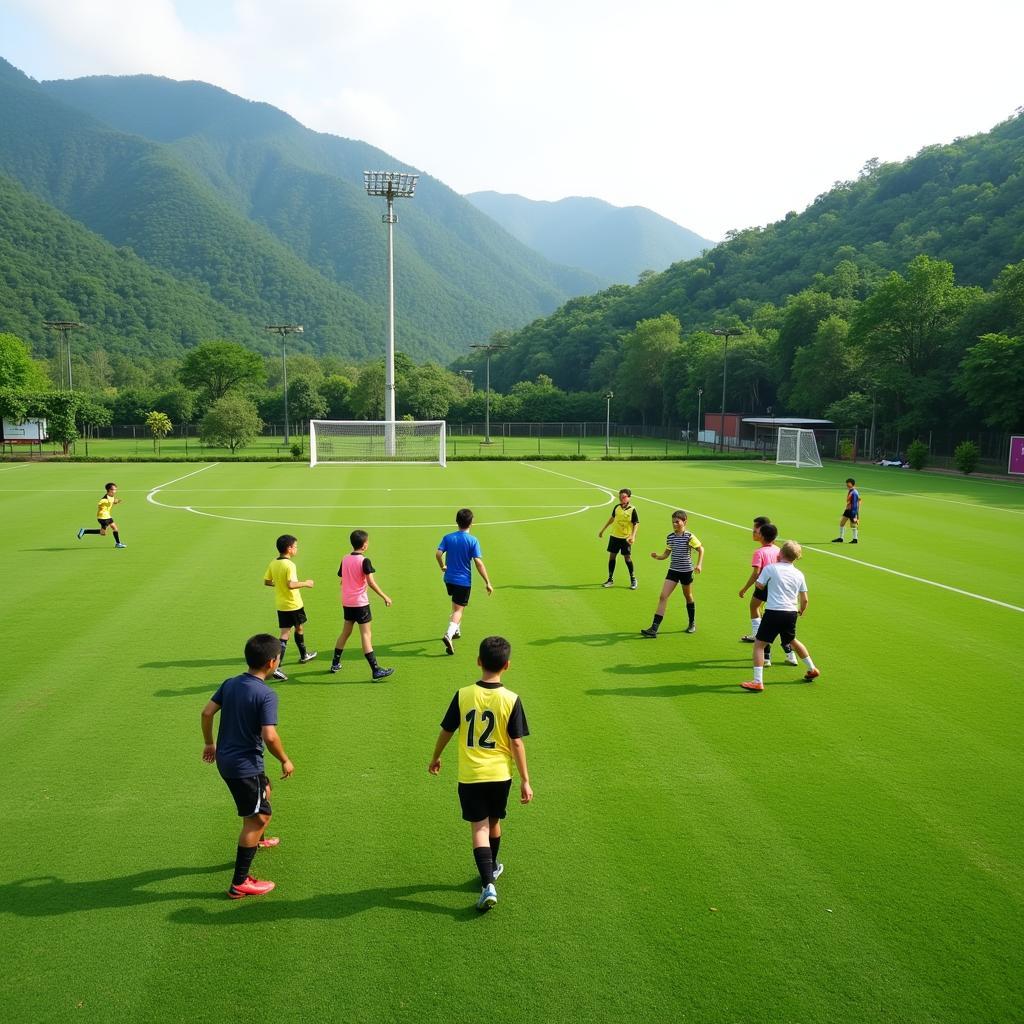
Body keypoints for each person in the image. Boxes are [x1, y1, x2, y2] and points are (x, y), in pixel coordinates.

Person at [428, 636, 532, 912]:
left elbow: (447, 731)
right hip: (501, 776)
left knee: (479, 828)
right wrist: (525, 779)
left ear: (478, 661)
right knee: (494, 822)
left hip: (471, 776)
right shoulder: (512, 699)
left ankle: (488, 882)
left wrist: (436, 757)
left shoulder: (463, 694)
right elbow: (517, 742)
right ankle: (492, 869)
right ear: (507, 665)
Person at [201, 633, 295, 899]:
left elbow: (207, 712)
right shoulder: (266, 694)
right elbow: (270, 736)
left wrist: (209, 744)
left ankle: (259, 837)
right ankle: (239, 883)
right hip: (244, 766)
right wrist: (285, 759)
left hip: (228, 760)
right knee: (258, 818)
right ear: (271, 663)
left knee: (265, 788)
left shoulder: (230, 683)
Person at [741, 541, 820, 692]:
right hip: (791, 613)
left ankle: (757, 681)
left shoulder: (771, 569)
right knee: (792, 640)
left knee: (759, 644)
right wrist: (801, 610)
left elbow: (759, 585)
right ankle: (812, 668)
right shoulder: (799, 574)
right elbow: (805, 599)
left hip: (774, 611)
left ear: (780, 554)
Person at [331, 529, 394, 681]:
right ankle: (376, 669)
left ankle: (335, 663)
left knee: (345, 632)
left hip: (347, 602)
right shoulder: (364, 561)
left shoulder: (345, 558)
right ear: (364, 545)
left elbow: (342, 578)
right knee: (366, 635)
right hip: (360, 604)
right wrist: (385, 596)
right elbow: (371, 582)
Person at [738, 520, 798, 667]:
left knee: (754, 607)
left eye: (756, 532)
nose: (754, 533)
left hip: (763, 586)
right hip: (779, 587)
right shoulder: (778, 550)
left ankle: (758, 637)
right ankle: (790, 654)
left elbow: (756, 573)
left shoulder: (759, 552)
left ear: (762, 536)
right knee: (784, 628)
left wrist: (745, 588)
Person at [436, 508, 493, 655]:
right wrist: (487, 581)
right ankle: (449, 634)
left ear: (457, 521)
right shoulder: (472, 540)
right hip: (463, 581)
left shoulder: (448, 537)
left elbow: (438, 553)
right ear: (471, 523)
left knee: (455, 604)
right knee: (458, 610)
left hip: (448, 579)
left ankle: (456, 630)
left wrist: (442, 566)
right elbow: (478, 563)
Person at [640, 510, 703, 636]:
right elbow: (666, 554)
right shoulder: (670, 537)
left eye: (677, 522)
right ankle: (654, 628)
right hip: (673, 570)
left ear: (684, 522)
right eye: (673, 522)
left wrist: (699, 564)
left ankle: (692, 623)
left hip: (686, 571)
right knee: (663, 596)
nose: (674, 524)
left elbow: (701, 549)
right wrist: (657, 556)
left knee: (688, 596)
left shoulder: (689, 536)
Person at [263, 534, 316, 681]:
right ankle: (278, 666)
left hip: (281, 604)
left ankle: (299, 656)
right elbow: (291, 584)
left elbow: (267, 581)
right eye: (295, 546)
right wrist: (306, 583)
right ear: (289, 548)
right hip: (293, 604)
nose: (297, 549)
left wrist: (278, 584)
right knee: (293, 631)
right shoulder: (289, 565)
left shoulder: (274, 562)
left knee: (290, 631)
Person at [598, 488, 639, 589]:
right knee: (612, 557)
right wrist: (603, 530)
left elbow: (636, 523)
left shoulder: (632, 509)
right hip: (614, 537)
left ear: (629, 497)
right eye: (620, 497)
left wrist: (633, 536)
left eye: (624, 497)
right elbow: (612, 519)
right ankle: (610, 579)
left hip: (625, 538)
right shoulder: (617, 507)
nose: (621, 498)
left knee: (627, 558)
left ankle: (633, 579)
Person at [77, 482, 126, 548]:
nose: (115, 491)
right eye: (114, 489)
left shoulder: (111, 496)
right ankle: (85, 531)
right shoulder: (104, 499)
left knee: (114, 529)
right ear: (109, 490)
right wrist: (100, 506)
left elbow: (113, 501)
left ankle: (118, 543)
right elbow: (100, 503)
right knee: (104, 533)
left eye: (115, 489)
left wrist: (116, 501)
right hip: (103, 518)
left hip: (107, 516)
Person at [832, 478, 861, 544]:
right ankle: (841, 538)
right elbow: (859, 500)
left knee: (853, 525)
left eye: (848, 483)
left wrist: (855, 514)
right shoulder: (851, 491)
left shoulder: (854, 492)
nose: (847, 485)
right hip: (848, 510)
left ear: (852, 484)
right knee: (842, 523)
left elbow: (855, 503)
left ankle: (855, 539)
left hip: (852, 511)